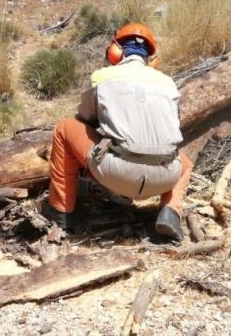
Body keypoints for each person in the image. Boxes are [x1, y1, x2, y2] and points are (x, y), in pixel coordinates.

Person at [41, 22, 193, 241]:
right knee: (185, 164)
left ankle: (61, 211)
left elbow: (84, 117)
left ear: (115, 51)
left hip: (116, 173)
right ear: (152, 59)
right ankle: (170, 211)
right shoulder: (168, 83)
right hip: (165, 177)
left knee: (65, 127)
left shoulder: (103, 77)